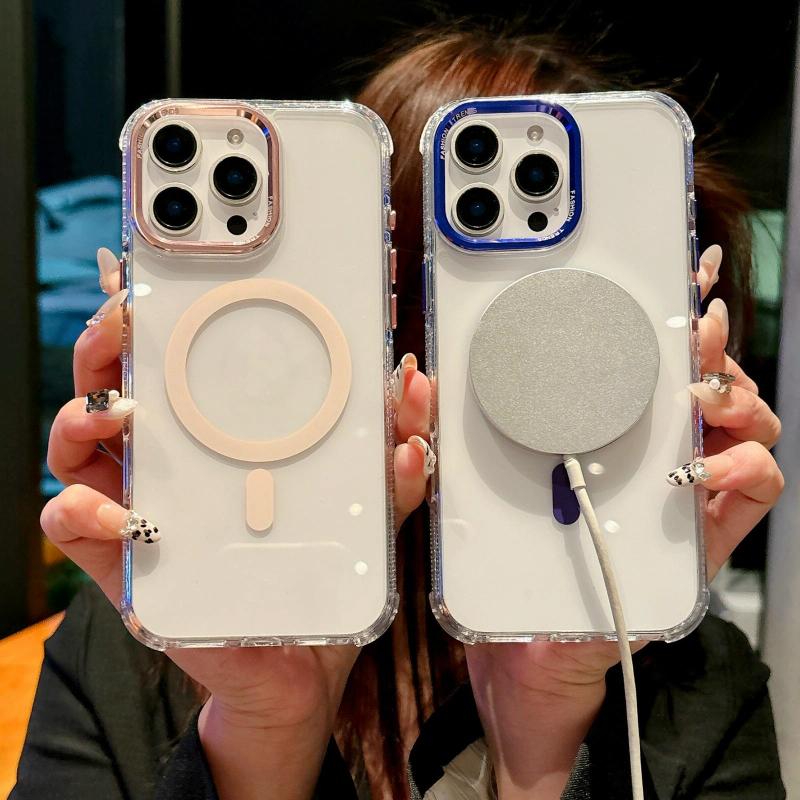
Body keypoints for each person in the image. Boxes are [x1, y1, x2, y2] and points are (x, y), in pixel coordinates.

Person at [13, 25, 785, 800]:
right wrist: (265, 728)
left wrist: (545, 710)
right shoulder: (141, 645)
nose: (562, 373)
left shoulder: (701, 687)